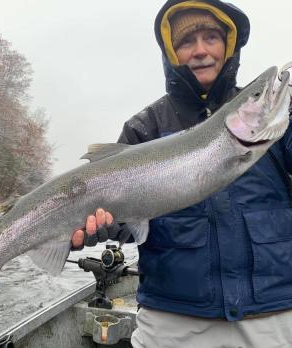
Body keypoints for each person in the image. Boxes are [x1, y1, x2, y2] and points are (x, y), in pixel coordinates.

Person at [72, 0, 292, 347]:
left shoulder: (281, 128)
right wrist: (100, 228)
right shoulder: (143, 128)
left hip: (272, 315)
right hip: (172, 321)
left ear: (228, 46)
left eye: (211, 37)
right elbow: (127, 231)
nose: (200, 50)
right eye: (187, 41)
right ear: (171, 51)